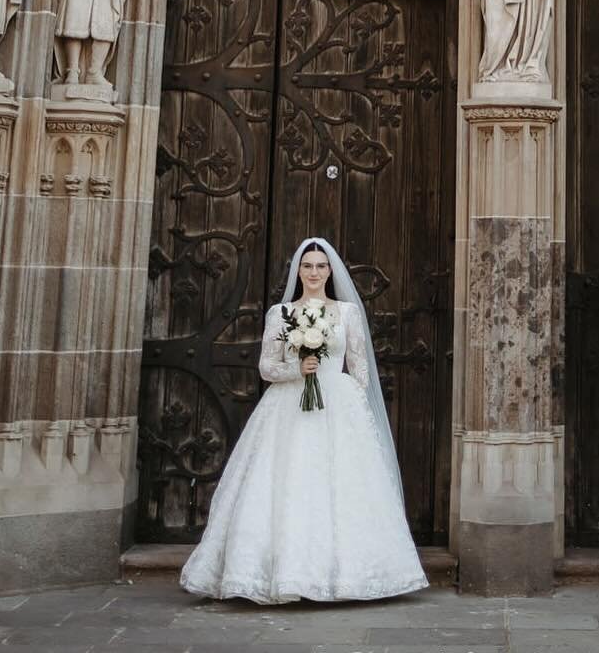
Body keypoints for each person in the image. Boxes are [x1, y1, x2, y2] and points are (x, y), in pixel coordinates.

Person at [180, 237, 429, 605]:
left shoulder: (346, 313)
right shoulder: (280, 315)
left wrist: (353, 409)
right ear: (298, 270)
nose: (314, 272)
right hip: (288, 406)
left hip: (337, 405)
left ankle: (347, 575)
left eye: (321, 266)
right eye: (308, 266)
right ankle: (282, 573)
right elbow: (266, 367)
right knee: (287, 482)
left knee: (340, 488)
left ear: (330, 272)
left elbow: (359, 367)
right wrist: (296, 369)